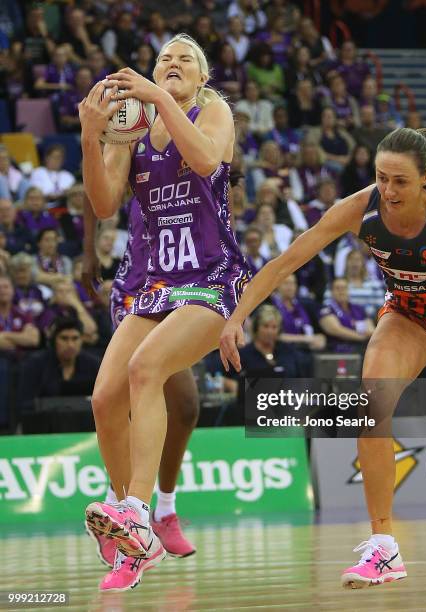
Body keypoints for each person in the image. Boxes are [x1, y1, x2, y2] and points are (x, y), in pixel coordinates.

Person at [219, 127, 426, 588]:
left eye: (400, 182)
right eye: (381, 177)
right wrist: (237, 316)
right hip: (409, 311)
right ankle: (385, 548)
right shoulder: (358, 208)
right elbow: (287, 261)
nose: (388, 190)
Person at [79, 33, 251, 591]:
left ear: (201, 78)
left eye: (185, 61)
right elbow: (104, 204)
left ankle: (138, 508)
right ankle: (133, 539)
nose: (173, 65)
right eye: (163, 60)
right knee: (105, 398)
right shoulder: (130, 128)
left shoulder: (215, 110)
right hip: (153, 283)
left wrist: (161, 95)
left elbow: (204, 160)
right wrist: (90, 133)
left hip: (210, 277)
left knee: (147, 372)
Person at [82, 193, 199, 566]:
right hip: (138, 292)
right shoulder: (140, 142)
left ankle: (162, 508)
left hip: (184, 290)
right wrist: (88, 250)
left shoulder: (207, 155)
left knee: (185, 408)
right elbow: (95, 185)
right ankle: (128, 511)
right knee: (125, 401)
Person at [18, 317, 100, 412]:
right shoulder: (35, 364)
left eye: (75, 338)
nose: (70, 345)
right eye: (64, 338)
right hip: (45, 422)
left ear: (81, 340)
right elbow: (25, 404)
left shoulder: (93, 364)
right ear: (53, 341)